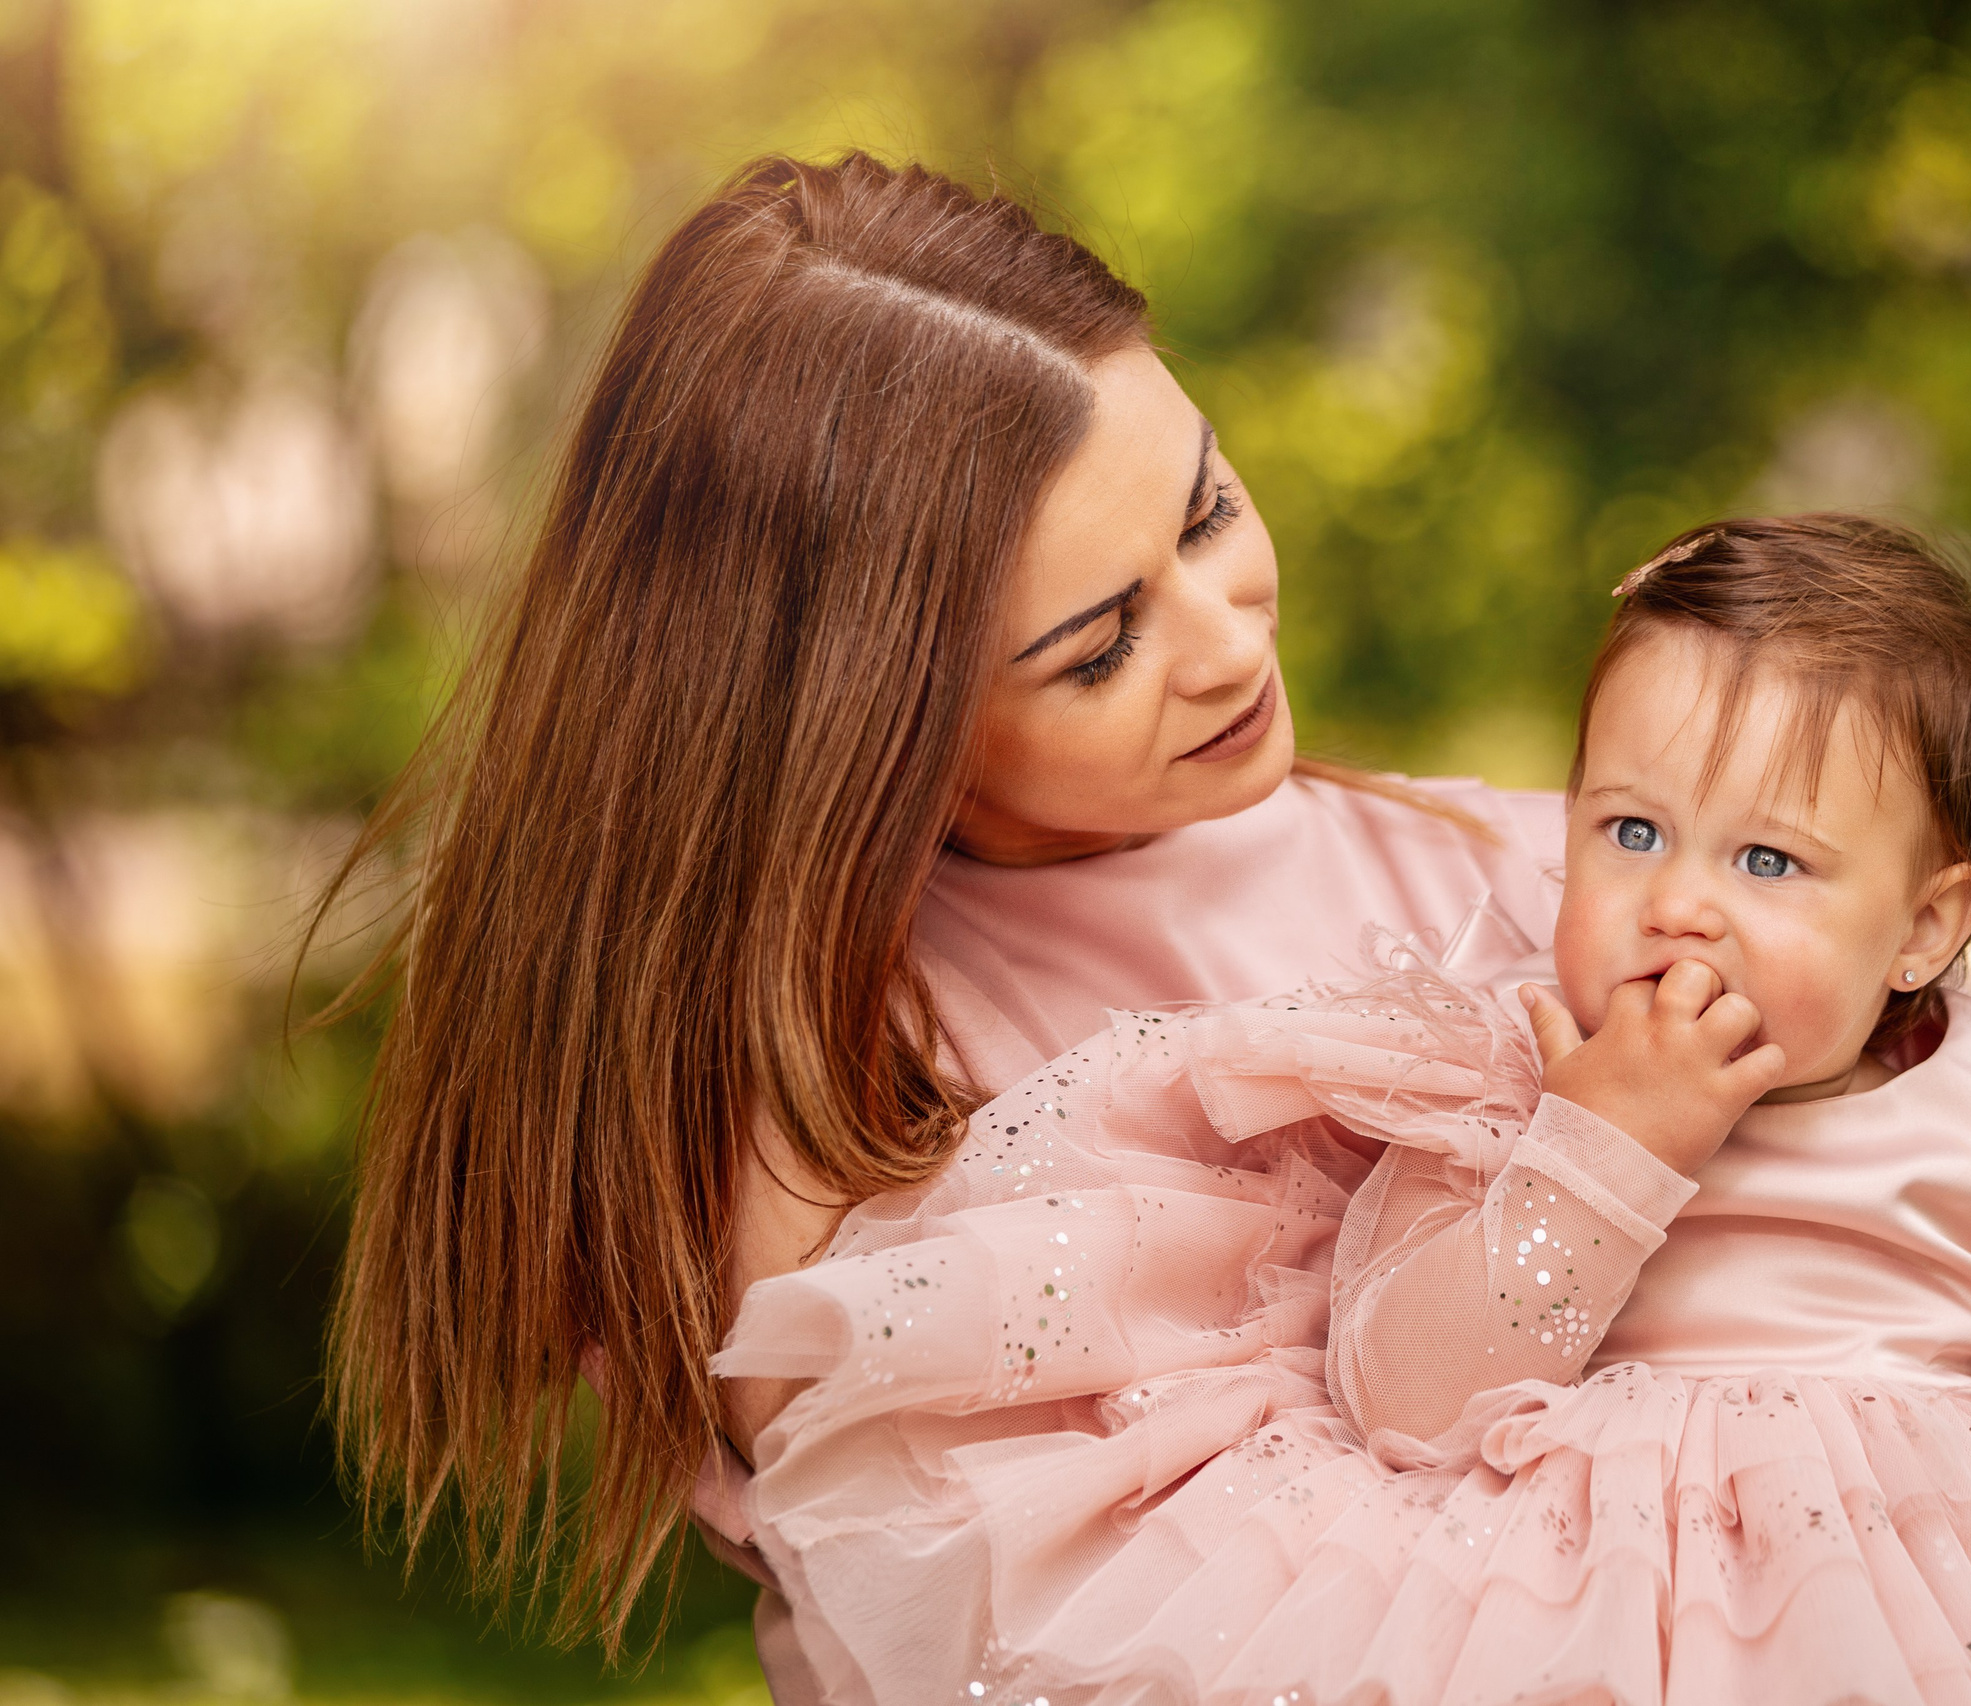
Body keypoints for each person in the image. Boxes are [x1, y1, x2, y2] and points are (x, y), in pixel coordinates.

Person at [719, 516, 1971, 1703]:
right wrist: (1608, 1141)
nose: (1678, 899)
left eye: (1768, 857)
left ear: (1931, 922)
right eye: (1628, 830)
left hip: (1946, 1602)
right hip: (1582, 1595)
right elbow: (1406, 1385)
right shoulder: (1509, 1064)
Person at [315, 151, 1565, 1686]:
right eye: (1097, 647)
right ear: (873, 726)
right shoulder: (844, 1113)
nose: (1227, 641)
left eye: (1209, 510)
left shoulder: (1509, 866)